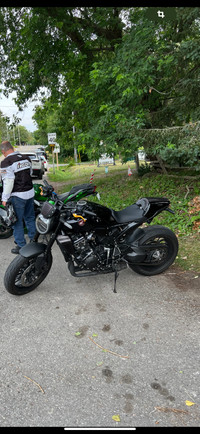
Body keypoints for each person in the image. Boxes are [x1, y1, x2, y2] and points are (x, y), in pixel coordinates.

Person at [0, 141, 36, 253]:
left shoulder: (6, 162)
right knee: (30, 218)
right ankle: (33, 241)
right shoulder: (26, 158)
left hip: (17, 196)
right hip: (30, 193)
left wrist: (4, 199)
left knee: (17, 222)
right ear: (12, 148)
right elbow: (30, 173)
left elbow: (8, 182)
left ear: (3, 151)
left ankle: (21, 246)